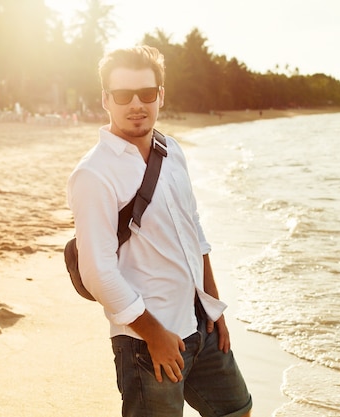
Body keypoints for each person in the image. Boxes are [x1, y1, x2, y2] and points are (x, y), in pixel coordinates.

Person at [67, 46, 253, 417]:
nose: (136, 104)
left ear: (161, 95)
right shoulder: (93, 174)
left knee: (237, 411)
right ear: (106, 100)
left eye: (146, 93)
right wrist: (154, 336)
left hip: (199, 322)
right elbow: (97, 272)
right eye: (123, 95)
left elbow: (193, 231)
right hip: (145, 341)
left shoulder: (171, 150)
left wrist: (213, 306)